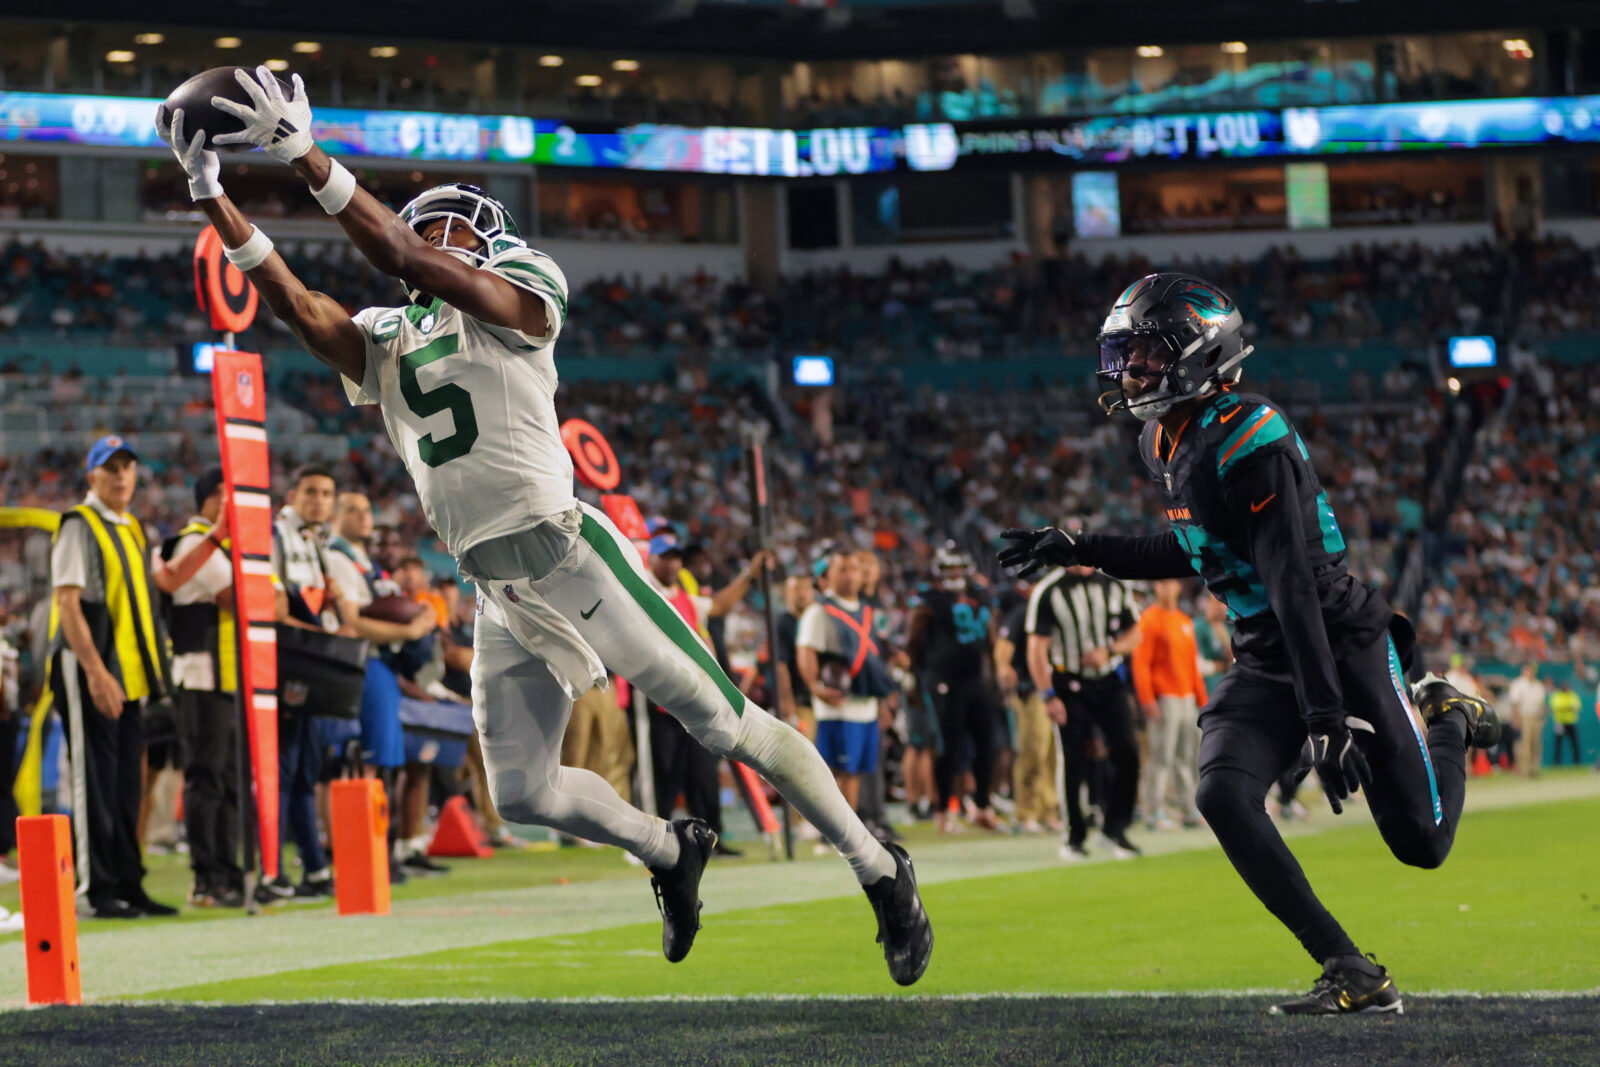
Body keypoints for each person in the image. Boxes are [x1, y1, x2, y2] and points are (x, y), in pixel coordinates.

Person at [163, 71, 929, 983]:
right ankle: (666, 848)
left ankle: (879, 868)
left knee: (729, 727)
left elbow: (411, 256)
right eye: (431, 219)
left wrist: (303, 156)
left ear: (486, 239)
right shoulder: (397, 330)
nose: (439, 232)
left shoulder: (526, 289)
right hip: (496, 588)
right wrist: (213, 197)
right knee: (522, 789)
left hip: (572, 553)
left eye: (452, 223)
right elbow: (303, 308)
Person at [999, 272, 1499, 1015]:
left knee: (1421, 843)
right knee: (1222, 793)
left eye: (1147, 353)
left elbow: (1291, 581)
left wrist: (1326, 718)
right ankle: (1349, 965)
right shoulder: (1160, 436)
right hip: (1268, 648)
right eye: (1127, 353)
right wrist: (1079, 545)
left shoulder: (1251, 437)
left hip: (1338, 639)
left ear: (1203, 354)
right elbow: (1196, 549)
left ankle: (1451, 713)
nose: (1130, 369)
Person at [49, 436, 176, 918]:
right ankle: (94, 889)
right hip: (92, 668)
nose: (122, 476)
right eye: (111, 468)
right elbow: (67, 604)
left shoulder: (131, 528)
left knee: (127, 783)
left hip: (131, 674)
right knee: (94, 779)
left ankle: (128, 882)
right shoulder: (78, 525)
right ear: (92, 477)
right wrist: (96, 672)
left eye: (128, 467)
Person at [152, 467, 243, 908]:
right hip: (201, 675)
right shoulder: (195, 542)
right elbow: (237, 597)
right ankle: (207, 877)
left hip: (221, 675)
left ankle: (225, 872)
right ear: (209, 499)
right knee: (208, 777)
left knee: (224, 778)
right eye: (228, 495)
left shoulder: (215, 548)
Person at [1024, 552, 1142, 861]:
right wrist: (1048, 695)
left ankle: (1115, 828)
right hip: (1068, 684)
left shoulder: (1114, 585)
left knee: (1128, 752)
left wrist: (1111, 650)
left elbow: (1135, 632)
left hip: (1108, 681)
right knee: (1073, 760)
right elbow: (1036, 648)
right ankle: (1074, 836)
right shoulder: (1049, 590)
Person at [907, 544, 1001, 832]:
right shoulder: (930, 598)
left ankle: (983, 805)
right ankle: (943, 809)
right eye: (950, 569)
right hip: (944, 678)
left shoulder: (980, 595)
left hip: (976, 677)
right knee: (949, 745)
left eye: (959, 568)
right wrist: (915, 673)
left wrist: (995, 671)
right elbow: (915, 637)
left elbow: (990, 635)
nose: (955, 574)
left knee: (987, 744)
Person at [797, 551, 895, 815]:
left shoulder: (866, 610)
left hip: (866, 703)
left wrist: (882, 701)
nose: (850, 574)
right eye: (842, 569)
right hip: (838, 705)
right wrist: (816, 687)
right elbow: (806, 649)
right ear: (827, 577)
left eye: (853, 569)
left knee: (855, 773)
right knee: (836, 773)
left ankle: (849, 832)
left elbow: (874, 658)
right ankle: (830, 829)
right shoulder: (820, 611)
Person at [1131, 579, 1207, 829]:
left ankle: (1189, 808)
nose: (1166, 588)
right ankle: (1154, 809)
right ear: (1156, 588)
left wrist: (1202, 699)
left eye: (1170, 583)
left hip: (1186, 696)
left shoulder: (1184, 621)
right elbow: (1141, 662)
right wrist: (1147, 698)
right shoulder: (1150, 619)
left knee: (1186, 756)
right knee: (1161, 755)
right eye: (1161, 583)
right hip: (1164, 696)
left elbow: (1192, 665)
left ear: (1177, 588)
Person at [994, 588, 1057, 833]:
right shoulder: (1024, 611)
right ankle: (1026, 811)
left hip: (1058, 689)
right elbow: (1004, 644)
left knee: (1053, 753)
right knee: (1033, 749)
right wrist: (1003, 667)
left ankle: (1048, 809)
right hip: (1031, 690)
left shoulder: (1059, 607)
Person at [1506, 663, 1546, 778]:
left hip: (1536, 716)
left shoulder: (1539, 685)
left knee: (1536, 744)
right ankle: (1524, 770)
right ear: (1524, 671)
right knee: (1524, 744)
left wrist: (1542, 717)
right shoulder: (1518, 684)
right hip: (1524, 716)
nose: (1531, 673)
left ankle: (1534, 768)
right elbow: (1515, 704)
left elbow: (1542, 704)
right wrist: (1516, 719)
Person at [1549, 682, 1581, 766]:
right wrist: (1568, 707)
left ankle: (1577, 762)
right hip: (1559, 722)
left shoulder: (1573, 695)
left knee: (1574, 744)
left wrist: (1564, 708)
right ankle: (1556, 763)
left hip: (1571, 722)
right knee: (1558, 744)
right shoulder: (1557, 695)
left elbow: (1577, 706)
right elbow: (1556, 706)